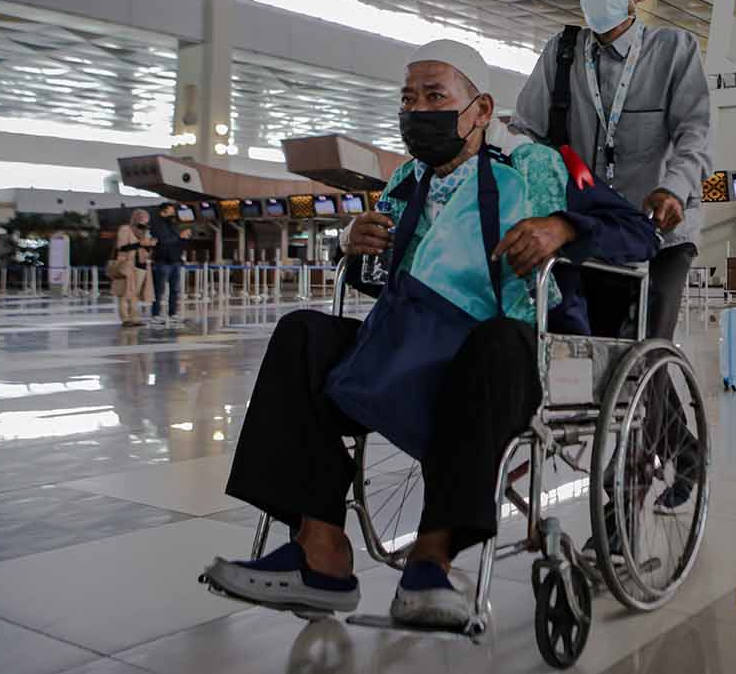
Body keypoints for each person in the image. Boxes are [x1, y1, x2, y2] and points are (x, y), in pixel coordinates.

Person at [202, 40, 660, 627]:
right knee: (302, 335)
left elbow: (638, 235)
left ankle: (433, 559)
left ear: (481, 109)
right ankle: (320, 553)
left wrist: (563, 226)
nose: (418, 110)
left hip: (509, 351)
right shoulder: (405, 186)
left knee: (494, 343)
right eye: (408, 98)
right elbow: (388, 285)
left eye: (435, 96)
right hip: (413, 344)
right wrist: (354, 243)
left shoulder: (540, 167)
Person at [511, 0, 711, 344]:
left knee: (647, 338)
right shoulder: (561, 53)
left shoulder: (675, 50)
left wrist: (675, 188)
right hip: (587, 226)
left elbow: (693, 132)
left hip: (661, 232)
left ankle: (654, 398)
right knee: (588, 342)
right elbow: (526, 133)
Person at [149, 202, 191, 326]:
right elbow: (163, 241)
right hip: (162, 261)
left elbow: (176, 242)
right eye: (171, 211)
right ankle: (155, 314)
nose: (173, 214)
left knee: (175, 289)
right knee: (159, 290)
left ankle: (173, 313)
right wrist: (179, 237)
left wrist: (183, 239)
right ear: (163, 211)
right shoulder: (156, 225)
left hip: (175, 261)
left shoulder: (172, 224)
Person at [111, 209, 154, 326]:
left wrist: (149, 245)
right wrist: (139, 244)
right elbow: (122, 247)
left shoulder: (144, 231)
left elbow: (147, 249)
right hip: (127, 265)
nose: (144, 221)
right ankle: (125, 319)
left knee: (135, 294)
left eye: (146, 219)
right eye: (142, 218)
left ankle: (135, 318)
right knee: (125, 293)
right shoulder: (126, 229)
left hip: (141, 266)